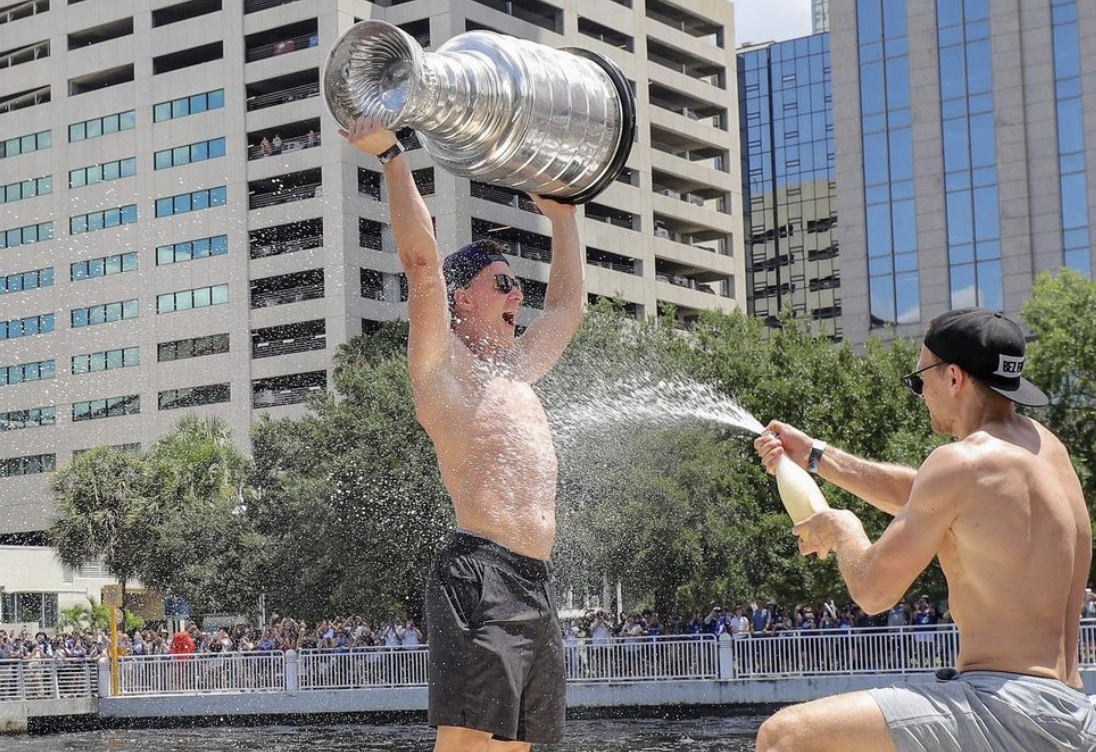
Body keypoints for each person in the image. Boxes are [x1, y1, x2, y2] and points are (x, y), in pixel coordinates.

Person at [341, 115, 584, 751]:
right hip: (479, 574)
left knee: (524, 748)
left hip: (537, 581)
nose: (517, 292)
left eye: (517, 282)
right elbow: (421, 263)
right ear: (462, 299)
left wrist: (563, 219)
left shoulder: (519, 370)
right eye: (501, 283)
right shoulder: (443, 372)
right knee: (469, 749)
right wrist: (392, 156)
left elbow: (566, 309)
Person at [753, 308, 1096, 752]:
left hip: (1008, 710)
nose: (919, 394)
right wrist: (817, 456)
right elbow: (929, 497)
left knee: (785, 736)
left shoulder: (959, 463)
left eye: (919, 379)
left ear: (953, 378)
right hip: (1070, 706)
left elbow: (873, 593)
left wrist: (843, 527)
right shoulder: (1048, 451)